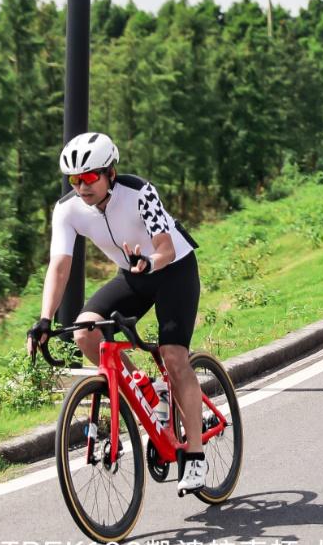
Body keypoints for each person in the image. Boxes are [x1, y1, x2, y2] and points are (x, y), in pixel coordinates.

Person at [26, 132, 208, 493]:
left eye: (90, 177)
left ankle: (197, 457)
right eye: (74, 180)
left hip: (172, 270)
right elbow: (59, 266)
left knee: (174, 357)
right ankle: (149, 392)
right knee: (84, 332)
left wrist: (148, 261)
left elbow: (166, 249)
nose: (81, 187)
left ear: (110, 172)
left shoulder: (140, 192)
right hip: (133, 276)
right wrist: (45, 319)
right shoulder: (67, 209)